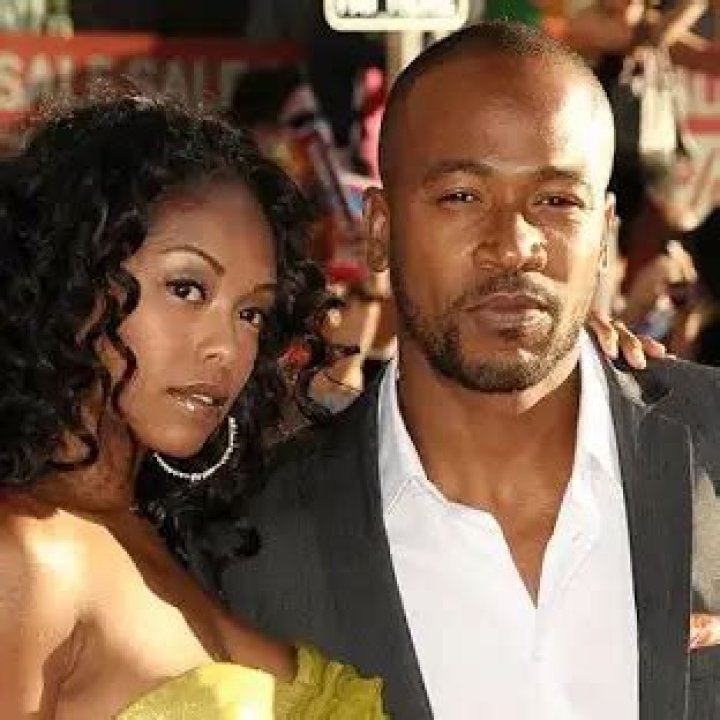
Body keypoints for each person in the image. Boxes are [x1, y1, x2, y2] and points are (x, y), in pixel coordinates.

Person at [194, 21, 720, 720]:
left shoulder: (708, 439)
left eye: (557, 201)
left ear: (604, 231)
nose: (514, 245)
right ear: (379, 230)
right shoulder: (253, 546)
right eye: (462, 197)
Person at [0, 92, 385, 718]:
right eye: (187, 288)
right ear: (73, 277)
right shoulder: (26, 556)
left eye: (251, 312)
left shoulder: (163, 535)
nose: (226, 348)